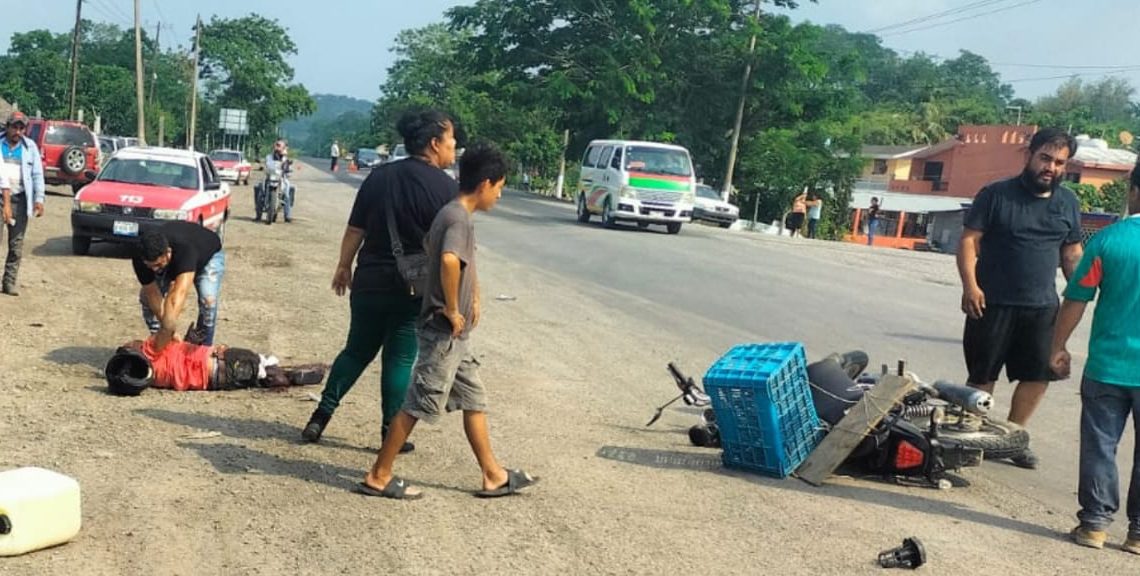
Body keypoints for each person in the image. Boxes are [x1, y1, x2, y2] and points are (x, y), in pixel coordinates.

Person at [357, 143, 538, 500]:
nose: (500, 195)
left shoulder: (450, 214)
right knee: (418, 403)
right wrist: (451, 307)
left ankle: (493, 474)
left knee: (474, 399)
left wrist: (475, 296)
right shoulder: (457, 217)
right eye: (500, 187)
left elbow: (435, 249)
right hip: (444, 333)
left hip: (457, 338)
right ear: (485, 183)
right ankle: (378, 475)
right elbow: (450, 260)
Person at [302, 110, 459, 451]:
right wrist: (453, 300)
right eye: (451, 141)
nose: (454, 147)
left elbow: (355, 228)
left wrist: (343, 266)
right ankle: (391, 433)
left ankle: (320, 417)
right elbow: (450, 252)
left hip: (369, 280)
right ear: (434, 144)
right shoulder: (447, 189)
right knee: (400, 359)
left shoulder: (379, 177)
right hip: (413, 287)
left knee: (356, 350)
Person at [957, 128, 1084, 469]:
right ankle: (974, 439)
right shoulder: (996, 194)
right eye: (1046, 158)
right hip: (991, 302)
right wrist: (970, 285)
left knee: (1038, 374)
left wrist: (1082, 290)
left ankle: (1013, 438)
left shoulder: (1068, 202)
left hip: (1042, 307)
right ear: (1029, 154)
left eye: (1060, 163)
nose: (1051, 168)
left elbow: (1071, 252)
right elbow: (970, 241)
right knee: (983, 374)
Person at [1050, 161, 1140, 553]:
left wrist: (1058, 346)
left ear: (1132, 190)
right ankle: (1138, 535)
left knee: (1101, 444)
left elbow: (1077, 298)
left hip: (1108, 367)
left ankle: (1094, 526)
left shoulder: (1108, 241)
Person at [107, 335, 327, 394]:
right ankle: (284, 374)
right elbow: (168, 326)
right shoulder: (151, 349)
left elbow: (180, 362)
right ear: (137, 350)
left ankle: (280, 377)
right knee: (262, 362)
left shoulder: (152, 379)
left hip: (216, 381)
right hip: (221, 359)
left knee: (258, 377)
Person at [134, 221, 226, 350]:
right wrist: (167, 332)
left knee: (208, 300)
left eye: (158, 265)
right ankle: (159, 342)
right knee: (146, 298)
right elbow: (152, 294)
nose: (154, 270)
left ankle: (203, 347)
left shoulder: (185, 250)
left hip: (208, 255)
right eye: (151, 266)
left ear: (168, 252)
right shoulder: (140, 255)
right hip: (174, 258)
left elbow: (178, 294)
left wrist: (169, 325)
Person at [0, 111, 45, 296]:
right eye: (14, 127)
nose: (17, 131)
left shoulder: (30, 148)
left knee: (16, 245)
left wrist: (39, 199)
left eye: (21, 128)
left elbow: (37, 174)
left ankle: (9, 283)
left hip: (20, 198)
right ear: (7, 127)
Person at [261, 140, 295, 223]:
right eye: (276, 146)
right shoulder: (268, 157)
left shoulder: (284, 158)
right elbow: (265, 164)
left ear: (283, 148)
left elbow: (288, 167)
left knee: (286, 191)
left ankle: (287, 215)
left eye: (279, 146)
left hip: (280, 177)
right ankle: (259, 209)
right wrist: (262, 167)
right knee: (261, 188)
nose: (277, 148)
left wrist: (288, 169)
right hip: (270, 177)